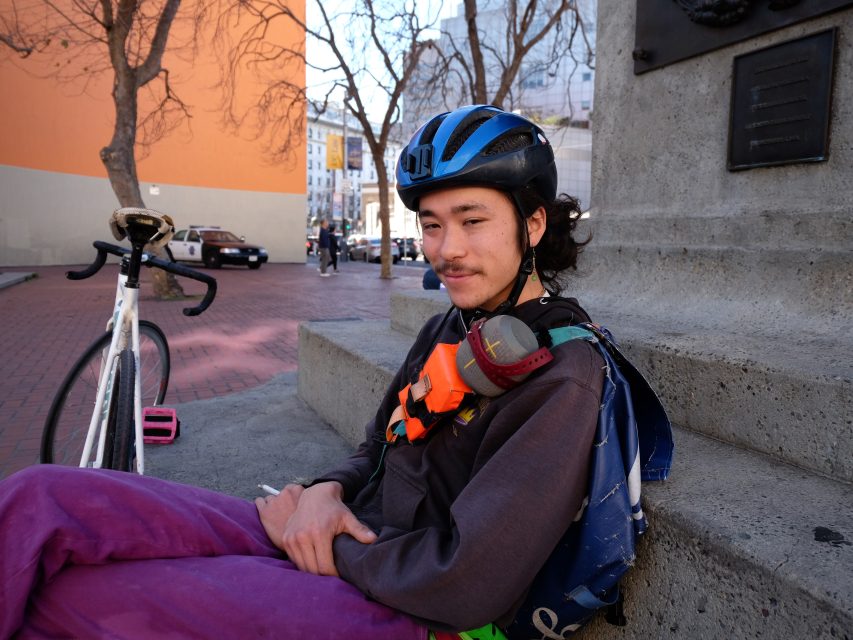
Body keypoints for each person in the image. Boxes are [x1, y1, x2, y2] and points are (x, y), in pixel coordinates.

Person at [0, 105, 602, 639]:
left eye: (472, 221)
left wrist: (329, 540)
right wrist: (324, 491)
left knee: (79, 600)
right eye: (431, 224)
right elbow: (380, 445)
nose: (445, 249)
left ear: (534, 223)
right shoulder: (452, 326)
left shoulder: (561, 378)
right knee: (41, 496)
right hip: (335, 532)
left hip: (411, 608)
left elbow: (468, 583)